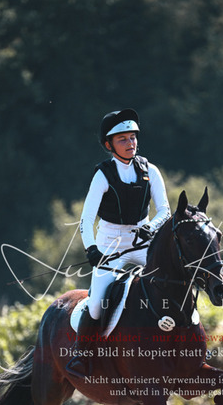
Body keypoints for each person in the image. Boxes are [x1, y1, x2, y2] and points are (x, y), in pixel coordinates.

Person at [67, 108, 171, 378]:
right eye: (122, 139)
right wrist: (92, 249)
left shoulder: (150, 170)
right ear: (109, 145)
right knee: (96, 304)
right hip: (110, 245)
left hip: (142, 243)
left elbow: (165, 211)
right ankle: (82, 356)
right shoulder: (103, 175)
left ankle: (185, 339)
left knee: (171, 284)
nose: (130, 143)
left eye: (132, 137)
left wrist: (150, 227)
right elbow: (86, 219)